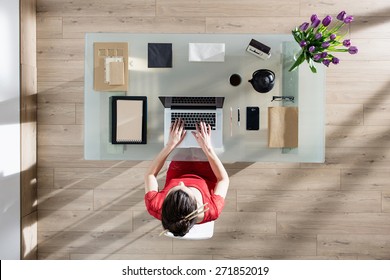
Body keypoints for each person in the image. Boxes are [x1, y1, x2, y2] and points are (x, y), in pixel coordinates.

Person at [144, 119, 230, 237]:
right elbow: (223, 179)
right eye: (186, 189)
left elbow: (150, 175)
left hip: (179, 163)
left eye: (172, 190)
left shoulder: (155, 206)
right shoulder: (212, 210)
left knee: (178, 127)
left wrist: (170, 145)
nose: (181, 183)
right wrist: (208, 148)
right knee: (219, 131)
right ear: (195, 205)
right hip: (208, 164)